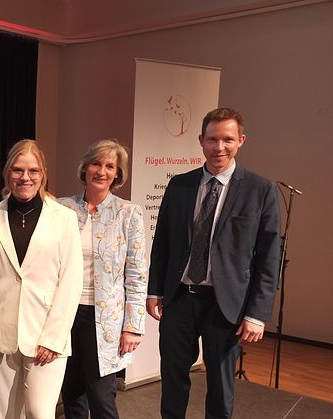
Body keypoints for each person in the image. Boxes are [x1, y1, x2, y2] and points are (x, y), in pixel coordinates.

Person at [147, 107, 281, 419]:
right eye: (212, 139)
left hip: (227, 305)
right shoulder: (180, 185)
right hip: (179, 299)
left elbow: (268, 256)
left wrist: (257, 314)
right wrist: (155, 290)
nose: (219, 147)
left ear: (241, 141)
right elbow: (162, 243)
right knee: (173, 382)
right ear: (201, 141)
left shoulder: (261, 191)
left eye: (227, 139)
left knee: (221, 388)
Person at [0, 139, 84, 419]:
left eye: (33, 171)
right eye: (17, 170)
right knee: (2, 415)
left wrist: (54, 338)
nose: (25, 177)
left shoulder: (64, 219)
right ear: (7, 173)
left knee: (40, 413)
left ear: (43, 174)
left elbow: (71, 280)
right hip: (0, 334)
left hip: (47, 335)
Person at [58, 139, 148, 419]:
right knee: (71, 394)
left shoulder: (129, 214)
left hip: (104, 320)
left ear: (118, 174)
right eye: (96, 163)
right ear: (85, 168)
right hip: (64, 315)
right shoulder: (62, 209)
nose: (102, 171)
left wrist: (133, 326)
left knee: (101, 399)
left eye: (110, 166)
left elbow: (136, 273)